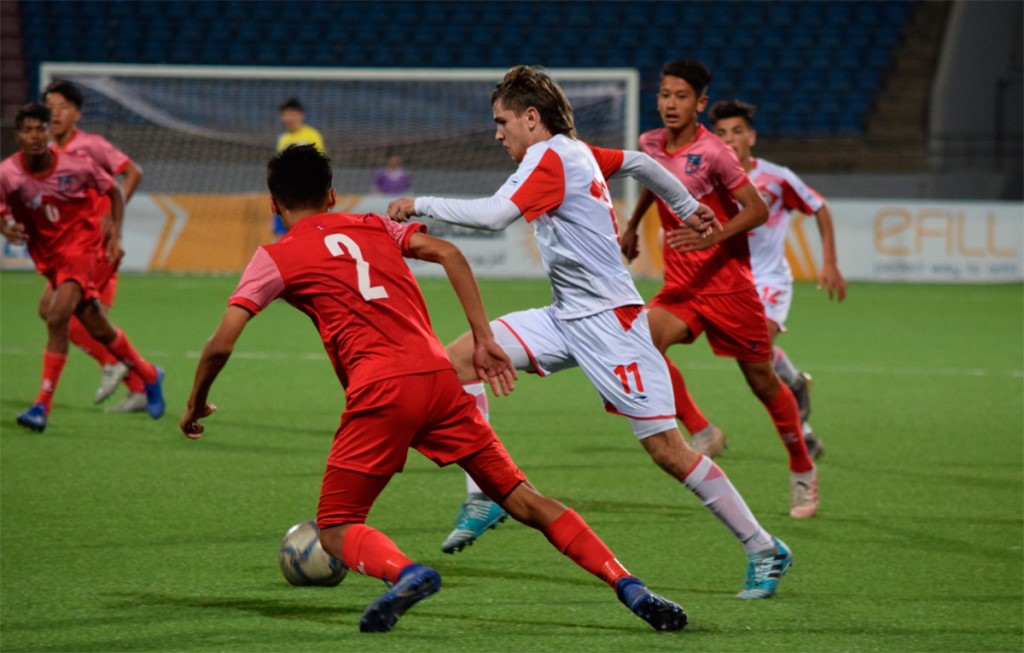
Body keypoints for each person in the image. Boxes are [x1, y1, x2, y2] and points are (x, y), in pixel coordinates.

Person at [179, 144, 689, 633]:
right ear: (332, 195)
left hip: (381, 390)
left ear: (273, 204)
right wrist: (483, 337)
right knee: (524, 499)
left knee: (335, 527)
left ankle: (405, 573)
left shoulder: (274, 257)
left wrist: (198, 401)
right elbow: (448, 252)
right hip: (441, 380)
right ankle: (628, 584)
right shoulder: (375, 224)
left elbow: (221, 344)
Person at [388, 65, 792, 598]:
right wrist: (686, 205)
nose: (497, 133)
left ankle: (764, 547)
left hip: (612, 325)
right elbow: (642, 162)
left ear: (531, 118)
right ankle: (484, 494)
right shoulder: (574, 151)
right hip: (565, 317)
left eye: (502, 121)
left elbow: (494, 216)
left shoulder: (550, 157)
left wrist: (417, 204)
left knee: (669, 451)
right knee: (458, 361)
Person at [619, 59, 818, 519]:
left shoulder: (715, 153)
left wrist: (713, 237)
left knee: (761, 381)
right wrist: (632, 225)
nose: (671, 104)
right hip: (682, 286)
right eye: (665, 95)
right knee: (637, 343)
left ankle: (802, 469)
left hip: (728, 287)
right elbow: (653, 180)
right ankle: (702, 429)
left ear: (700, 103)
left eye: (681, 96)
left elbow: (757, 210)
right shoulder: (650, 143)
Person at [0, 104, 165, 433]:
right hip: (50, 257)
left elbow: (114, 190)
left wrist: (115, 234)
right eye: (27, 130)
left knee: (57, 315)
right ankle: (148, 374)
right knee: (97, 327)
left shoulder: (76, 164)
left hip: (83, 248)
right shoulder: (7, 173)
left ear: (48, 132)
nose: (35, 136)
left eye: (40, 129)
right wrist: (5, 228)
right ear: (17, 136)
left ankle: (41, 406)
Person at [708, 99, 847, 459]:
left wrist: (829, 261)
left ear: (751, 137)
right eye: (721, 133)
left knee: (758, 351)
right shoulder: (709, 178)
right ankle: (796, 387)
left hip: (770, 280)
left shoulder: (776, 177)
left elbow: (819, 206)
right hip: (730, 283)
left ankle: (802, 432)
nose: (730, 139)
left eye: (737, 131)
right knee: (755, 361)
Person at [42, 79, 149, 414]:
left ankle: (129, 373)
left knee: (72, 316)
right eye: (50, 107)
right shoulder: (48, 152)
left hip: (96, 247)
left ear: (77, 113)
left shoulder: (92, 145)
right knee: (50, 310)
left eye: (62, 107)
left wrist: (114, 219)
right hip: (69, 248)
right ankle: (138, 382)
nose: (55, 113)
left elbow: (133, 172)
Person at [273, 98, 326, 238]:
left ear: (301, 115)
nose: (289, 118)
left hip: (307, 198)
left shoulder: (312, 135)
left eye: (292, 114)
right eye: (285, 114)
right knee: (281, 237)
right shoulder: (283, 139)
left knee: (310, 236)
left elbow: (319, 165)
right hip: (286, 197)